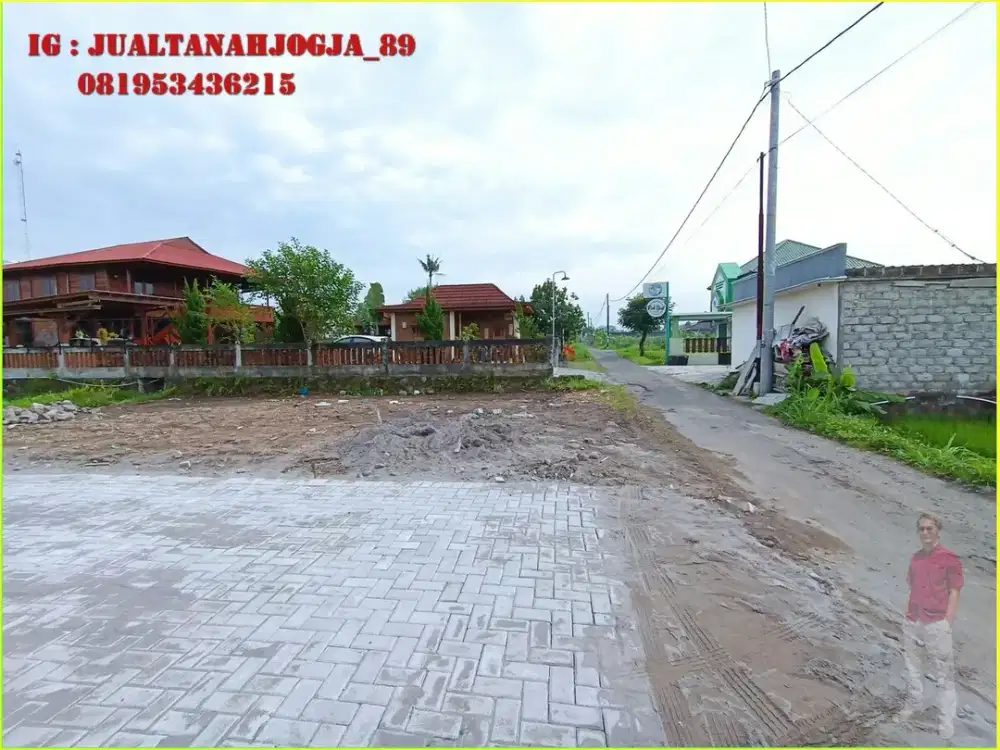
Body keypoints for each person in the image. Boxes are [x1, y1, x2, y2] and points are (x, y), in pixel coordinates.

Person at [898, 512, 963, 738]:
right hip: (913, 620)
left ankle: (946, 721)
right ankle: (914, 702)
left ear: (937, 530)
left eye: (929, 528)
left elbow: (955, 591)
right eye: (922, 529)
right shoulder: (916, 558)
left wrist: (948, 622)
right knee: (913, 666)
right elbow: (911, 587)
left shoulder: (949, 558)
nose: (925, 532)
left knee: (944, 673)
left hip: (937, 622)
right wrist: (907, 616)